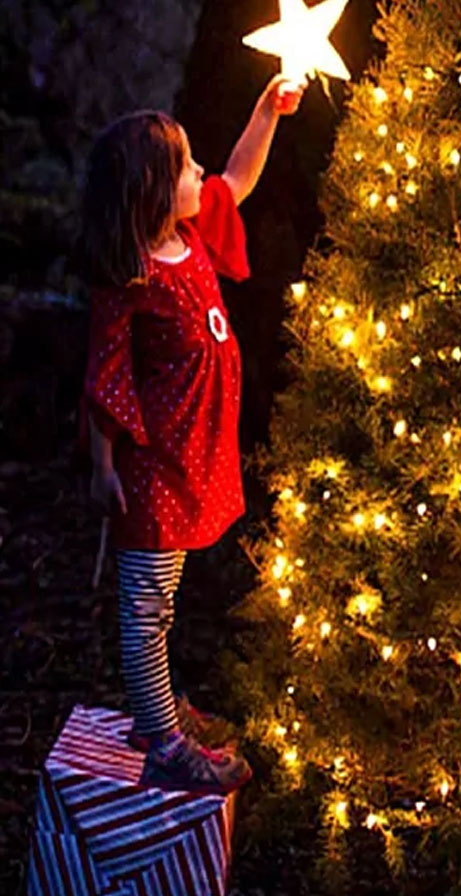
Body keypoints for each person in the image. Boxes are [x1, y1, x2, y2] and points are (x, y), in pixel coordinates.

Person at [77, 75, 304, 794]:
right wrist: (102, 466)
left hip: (194, 456)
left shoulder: (191, 232)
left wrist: (267, 108)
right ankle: (162, 740)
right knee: (145, 607)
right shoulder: (132, 279)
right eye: (184, 167)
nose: (200, 173)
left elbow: (239, 175)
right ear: (150, 190)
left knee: (166, 600)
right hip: (154, 468)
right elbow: (103, 379)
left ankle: (157, 709)